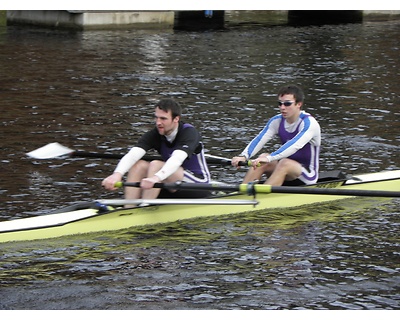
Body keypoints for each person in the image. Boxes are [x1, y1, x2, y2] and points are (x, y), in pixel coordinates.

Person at [102, 98, 211, 202]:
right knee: (138, 165)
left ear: (176, 119)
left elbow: (177, 159)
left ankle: (144, 208)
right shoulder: (156, 134)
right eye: (156, 118)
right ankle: (129, 208)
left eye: (163, 119)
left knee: (155, 165)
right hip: (170, 182)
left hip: (199, 184)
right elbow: (133, 155)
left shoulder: (189, 133)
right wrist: (117, 174)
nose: (158, 122)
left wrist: (155, 178)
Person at [231, 84, 321, 186]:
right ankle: (242, 194)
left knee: (282, 162)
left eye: (287, 104)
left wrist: (270, 158)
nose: (282, 107)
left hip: (307, 175)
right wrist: (244, 156)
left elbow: (294, 145)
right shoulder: (277, 120)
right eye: (280, 103)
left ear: (298, 104)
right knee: (262, 158)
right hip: (284, 169)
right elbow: (260, 139)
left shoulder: (309, 123)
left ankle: (263, 200)